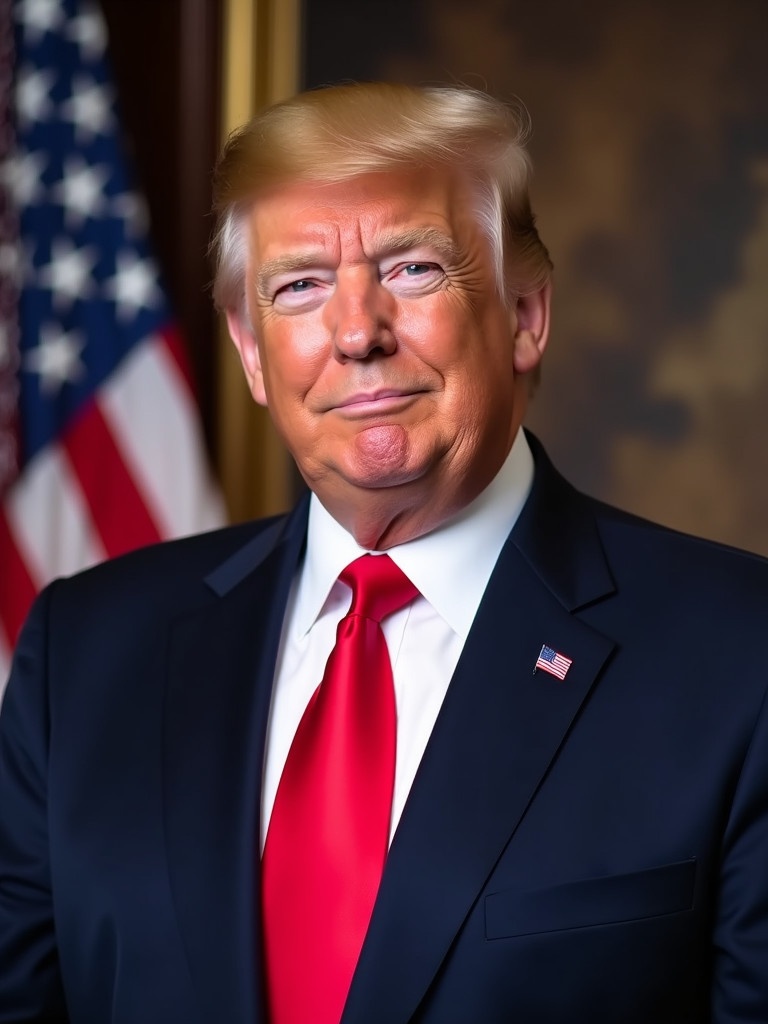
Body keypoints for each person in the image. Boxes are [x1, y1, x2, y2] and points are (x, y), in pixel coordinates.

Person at [1, 81, 767, 1024]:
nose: (357, 333)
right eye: (300, 287)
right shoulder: (82, 655)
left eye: (411, 270)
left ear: (527, 314)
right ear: (250, 351)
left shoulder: (739, 659)